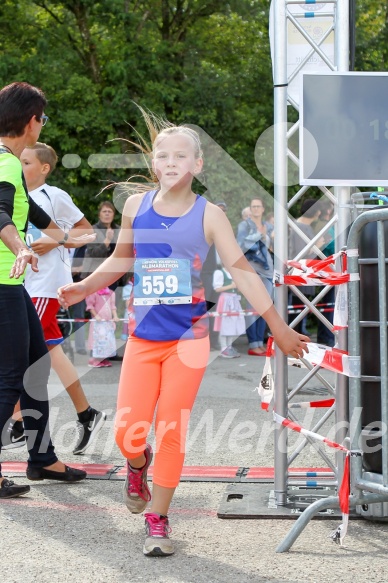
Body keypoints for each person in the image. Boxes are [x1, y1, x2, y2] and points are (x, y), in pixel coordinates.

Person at [58, 114, 309, 556]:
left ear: (197, 164)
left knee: (171, 427)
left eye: (180, 156)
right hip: (142, 338)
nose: (170, 161)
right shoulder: (136, 207)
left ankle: (158, 517)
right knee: (127, 435)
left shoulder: (210, 216)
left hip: (189, 342)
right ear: (153, 163)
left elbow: (245, 275)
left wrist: (278, 327)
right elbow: (121, 259)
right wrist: (84, 286)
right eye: (163, 155)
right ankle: (138, 463)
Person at [0, 81, 95, 498]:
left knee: (36, 369)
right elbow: (1, 211)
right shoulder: (4, 164)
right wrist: (21, 246)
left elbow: (35, 212)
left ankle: (42, 460)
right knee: (10, 379)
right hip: (4, 283)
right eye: (43, 118)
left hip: (13, 285)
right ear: (31, 120)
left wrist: (65, 238)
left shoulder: (8, 163)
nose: (43, 125)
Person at [16, 142, 106, 455]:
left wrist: (57, 241)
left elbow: (88, 232)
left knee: (27, 350)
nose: (21, 164)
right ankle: (86, 414)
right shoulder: (17, 194)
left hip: (45, 285)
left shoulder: (54, 196)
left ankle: (16, 419)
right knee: (50, 350)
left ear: (44, 167)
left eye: (26, 161)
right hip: (25, 283)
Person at [236, 198, 274, 355]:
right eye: (253, 207)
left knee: (265, 308)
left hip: (268, 270)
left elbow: (270, 247)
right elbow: (240, 246)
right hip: (251, 270)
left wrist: (266, 237)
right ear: (250, 209)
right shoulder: (244, 225)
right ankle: (253, 344)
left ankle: (260, 342)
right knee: (252, 308)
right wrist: (258, 234)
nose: (256, 209)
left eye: (259, 206)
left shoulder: (269, 226)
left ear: (263, 209)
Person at [289, 198, 325, 335]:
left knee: (299, 307)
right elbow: (301, 253)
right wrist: (318, 246)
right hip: (299, 272)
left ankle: (297, 333)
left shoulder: (302, 226)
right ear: (316, 212)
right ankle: (295, 334)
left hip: (303, 272)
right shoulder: (300, 227)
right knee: (297, 307)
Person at [313, 200, 335, 346]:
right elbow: (331, 245)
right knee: (330, 304)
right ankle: (326, 336)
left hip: (329, 269)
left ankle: (325, 335)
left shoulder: (326, 226)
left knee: (329, 304)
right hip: (329, 270)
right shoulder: (325, 226)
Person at [212, 264, 245, 358]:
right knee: (224, 325)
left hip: (234, 299)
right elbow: (217, 289)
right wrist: (231, 286)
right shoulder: (219, 272)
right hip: (225, 300)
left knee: (233, 325)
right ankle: (223, 348)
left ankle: (229, 346)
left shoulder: (233, 273)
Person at [86, 286, 119, 367]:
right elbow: (90, 306)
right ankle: (94, 360)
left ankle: (104, 359)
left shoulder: (111, 293)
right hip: (98, 323)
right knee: (97, 341)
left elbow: (112, 306)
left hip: (107, 322)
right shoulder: (93, 292)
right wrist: (96, 316)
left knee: (107, 341)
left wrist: (115, 316)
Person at [70, 244, 88, 354]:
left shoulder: (82, 245)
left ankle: (80, 347)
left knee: (79, 316)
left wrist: (78, 269)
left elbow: (90, 263)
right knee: (59, 318)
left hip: (78, 284)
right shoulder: (55, 242)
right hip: (56, 284)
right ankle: (59, 346)